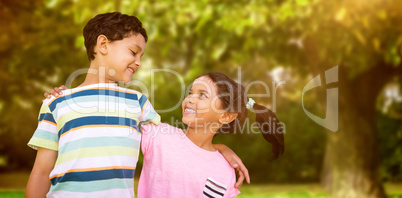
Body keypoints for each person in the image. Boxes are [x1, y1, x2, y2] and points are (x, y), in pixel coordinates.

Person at [26, 12, 247, 198]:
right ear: (102, 44)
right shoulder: (56, 103)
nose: (139, 62)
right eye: (133, 52)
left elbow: (179, 142)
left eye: (141, 55)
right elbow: (41, 172)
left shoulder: (137, 103)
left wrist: (220, 148)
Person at [45, 72, 285, 198]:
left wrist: (221, 150)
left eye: (203, 95)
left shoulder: (225, 171)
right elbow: (108, 114)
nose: (190, 98)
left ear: (226, 116)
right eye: (191, 92)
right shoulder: (157, 135)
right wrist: (69, 96)